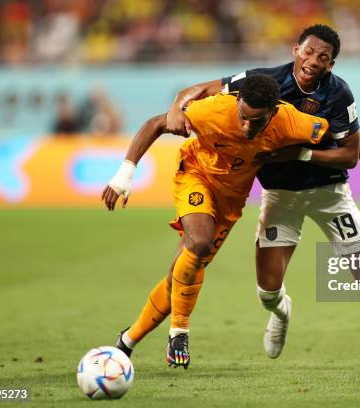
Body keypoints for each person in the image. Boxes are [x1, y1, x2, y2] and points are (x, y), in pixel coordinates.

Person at [166, 24, 360, 360]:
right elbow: (201, 89)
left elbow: (349, 155)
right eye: (309, 52)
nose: (313, 61)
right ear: (296, 49)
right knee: (267, 293)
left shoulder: (338, 94)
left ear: (331, 64)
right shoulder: (263, 82)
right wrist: (178, 105)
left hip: (329, 193)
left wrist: (300, 153)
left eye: (323, 57)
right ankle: (281, 314)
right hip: (280, 196)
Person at [102, 75, 330, 368]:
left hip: (231, 201)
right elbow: (156, 124)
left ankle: (127, 341)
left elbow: (332, 134)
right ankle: (179, 332)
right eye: (243, 116)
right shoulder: (212, 110)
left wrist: (354, 150)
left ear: (273, 112)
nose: (247, 126)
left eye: (256, 121)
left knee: (179, 276)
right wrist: (124, 175)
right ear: (237, 103)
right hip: (196, 175)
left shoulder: (292, 121)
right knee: (199, 241)